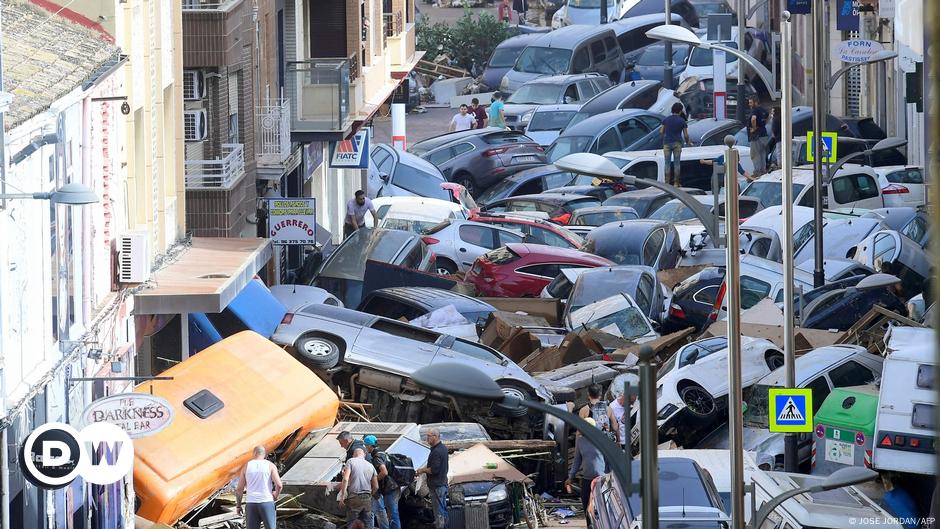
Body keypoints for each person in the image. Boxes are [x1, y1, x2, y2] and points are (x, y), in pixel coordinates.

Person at [564, 418, 607, 513]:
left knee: (601, 507)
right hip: (586, 478)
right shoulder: (580, 441)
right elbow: (577, 460)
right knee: (586, 506)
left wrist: (609, 476)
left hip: (600, 478)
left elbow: (609, 458)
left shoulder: (601, 440)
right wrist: (570, 477)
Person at [235, 446, 283, 529]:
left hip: (251, 504)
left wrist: (238, 506)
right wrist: (276, 495)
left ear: (254, 453)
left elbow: (239, 489)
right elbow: (279, 485)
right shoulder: (270, 466)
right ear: (264, 454)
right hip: (266, 502)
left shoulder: (246, 466)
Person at [364, 435, 401, 529]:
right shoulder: (383, 452)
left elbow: (384, 472)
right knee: (393, 513)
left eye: (366, 445)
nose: (365, 447)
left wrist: (374, 481)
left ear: (370, 446)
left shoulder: (377, 456)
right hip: (394, 486)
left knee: (392, 513)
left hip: (390, 488)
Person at [416, 428, 448, 529]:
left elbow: (434, 470)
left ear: (435, 436)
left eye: (429, 436)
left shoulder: (437, 451)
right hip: (442, 483)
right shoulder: (442, 448)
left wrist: (422, 470)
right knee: (443, 509)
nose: (427, 438)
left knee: (438, 511)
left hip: (437, 485)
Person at [340, 448, 379, 529]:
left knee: (352, 523)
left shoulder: (351, 461)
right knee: (367, 524)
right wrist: (369, 495)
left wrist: (342, 496)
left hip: (354, 497)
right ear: (364, 455)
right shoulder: (371, 466)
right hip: (367, 498)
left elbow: (346, 479)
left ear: (354, 454)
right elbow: (376, 486)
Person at [660, 102, 691, 186]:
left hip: (667, 143)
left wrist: (666, 135)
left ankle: (667, 183)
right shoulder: (682, 121)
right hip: (677, 143)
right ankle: (676, 183)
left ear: (672, 109)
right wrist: (688, 142)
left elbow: (661, 131)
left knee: (667, 163)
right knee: (677, 163)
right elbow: (686, 135)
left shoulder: (666, 119)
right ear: (680, 111)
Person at [748, 95, 770, 177]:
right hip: (764, 135)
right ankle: (763, 171)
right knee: (762, 153)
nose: (749, 104)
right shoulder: (763, 110)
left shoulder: (755, 110)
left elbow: (753, 119)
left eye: (751, 102)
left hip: (756, 136)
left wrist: (754, 128)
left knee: (755, 154)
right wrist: (763, 125)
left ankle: (757, 172)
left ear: (755, 102)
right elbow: (768, 116)